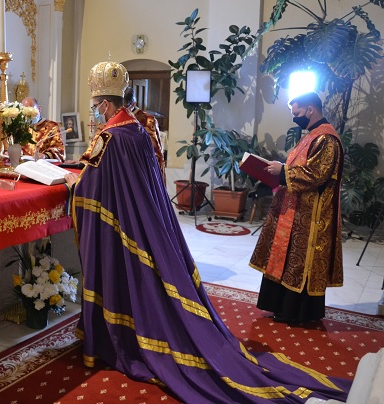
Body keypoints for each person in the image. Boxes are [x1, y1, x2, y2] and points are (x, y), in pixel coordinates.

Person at [63, 61, 350, 403]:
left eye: (96, 107)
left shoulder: (111, 136)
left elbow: (94, 186)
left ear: (106, 104)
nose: (94, 112)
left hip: (128, 227)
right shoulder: (138, 129)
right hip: (149, 223)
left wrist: (72, 182)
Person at [250, 92, 344, 326]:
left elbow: (316, 174)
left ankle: (297, 312)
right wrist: (279, 170)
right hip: (295, 208)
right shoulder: (311, 135)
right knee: (285, 258)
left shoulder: (327, 139)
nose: (296, 119)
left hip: (311, 215)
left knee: (300, 262)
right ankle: (281, 307)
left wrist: (282, 171)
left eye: (298, 113)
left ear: (311, 109)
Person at [124, 86, 165, 179]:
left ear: (133, 104)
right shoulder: (112, 119)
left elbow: (156, 153)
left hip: (141, 171)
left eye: (125, 107)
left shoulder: (148, 121)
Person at [21, 97, 65, 162]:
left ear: (39, 109)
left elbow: (59, 149)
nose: (29, 115)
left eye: (31, 110)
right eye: (25, 112)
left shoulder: (52, 126)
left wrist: (45, 155)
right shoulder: (21, 127)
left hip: (44, 164)